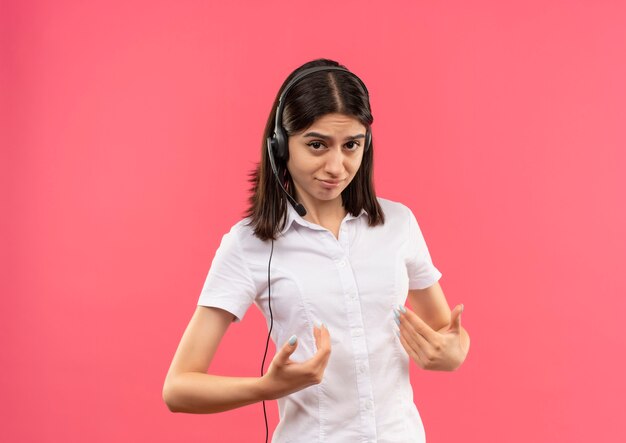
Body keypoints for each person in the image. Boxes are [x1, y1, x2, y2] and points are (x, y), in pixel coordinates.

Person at [162, 58, 470, 443]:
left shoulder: (399, 224)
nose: (336, 167)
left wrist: (455, 350)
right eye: (316, 145)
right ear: (280, 146)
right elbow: (178, 388)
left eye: (351, 145)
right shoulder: (249, 245)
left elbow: (446, 331)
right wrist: (267, 387)